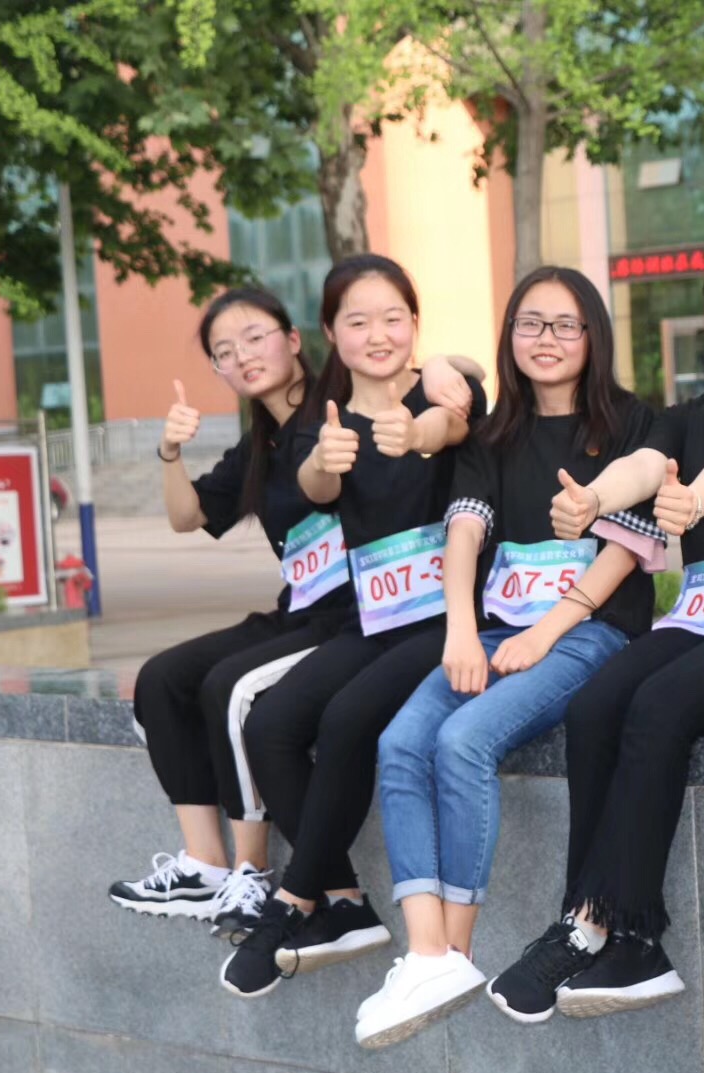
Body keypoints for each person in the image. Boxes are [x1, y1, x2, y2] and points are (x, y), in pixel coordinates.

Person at [485, 235, 704, 1024]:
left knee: (661, 704)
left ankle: (631, 935)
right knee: (597, 703)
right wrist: (594, 499)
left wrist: (694, 500)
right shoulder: (686, 416)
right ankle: (583, 920)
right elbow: (642, 467)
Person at [353, 267, 664, 1049]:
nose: (546, 339)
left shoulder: (634, 422)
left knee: (463, 740)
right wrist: (461, 630)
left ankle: (457, 951)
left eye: (564, 324)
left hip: (588, 633)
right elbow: (465, 529)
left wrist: (546, 632)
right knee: (400, 744)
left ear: (593, 335)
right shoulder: (495, 434)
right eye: (530, 323)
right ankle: (427, 953)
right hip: (496, 631)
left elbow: (626, 551)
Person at [108, 285, 472, 931]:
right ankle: (206, 864)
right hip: (300, 610)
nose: (243, 356)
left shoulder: (340, 394)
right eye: (225, 352)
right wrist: (170, 451)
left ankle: (259, 873)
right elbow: (187, 516)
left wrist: (446, 365)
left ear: (296, 339)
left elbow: (426, 373)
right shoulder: (260, 445)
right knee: (162, 679)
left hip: (359, 612)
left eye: (255, 338)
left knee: (231, 690)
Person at [218, 254, 485, 998]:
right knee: (270, 724)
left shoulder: (446, 392)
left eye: (393, 318)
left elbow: (454, 418)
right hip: (376, 622)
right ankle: (342, 900)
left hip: (449, 619)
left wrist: (424, 418)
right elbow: (316, 482)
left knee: (346, 721)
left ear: (415, 323)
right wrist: (326, 462)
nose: (378, 335)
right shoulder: (323, 426)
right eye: (358, 321)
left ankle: (291, 900)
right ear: (330, 333)